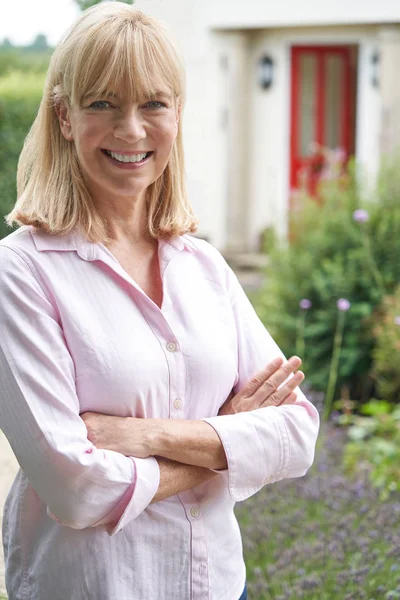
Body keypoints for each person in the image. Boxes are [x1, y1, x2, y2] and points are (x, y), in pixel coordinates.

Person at [0, 3, 320, 599]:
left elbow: (296, 433)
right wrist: (225, 441)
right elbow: (75, 488)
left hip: (219, 586)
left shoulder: (203, 267)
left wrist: (146, 436)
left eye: (153, 103)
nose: (131, 129)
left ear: (177, 114)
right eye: (102, 103)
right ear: (64, 117)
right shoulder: (20, 273)